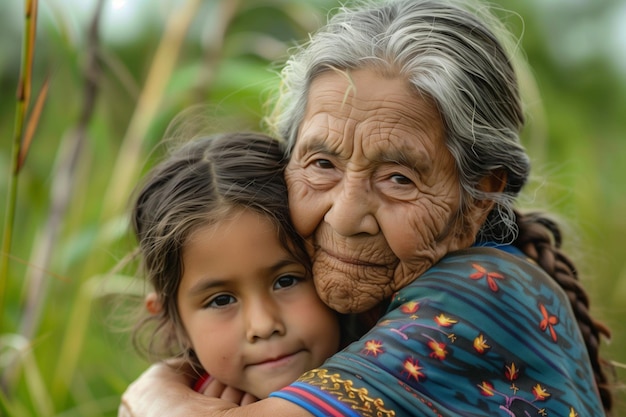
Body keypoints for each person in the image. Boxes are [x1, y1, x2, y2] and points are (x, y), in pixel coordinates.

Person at [119, 0, 613, 416]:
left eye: (398, 178)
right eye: (321, 163)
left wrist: (153, 395)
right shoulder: (339, 319)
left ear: (476, 200)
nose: (344, 216)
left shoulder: (481, 293)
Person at [129, 131, 346, 401]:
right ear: (176, 325)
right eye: (221, 300)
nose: (264, 325)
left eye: (286, 281)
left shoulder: (396, 371)